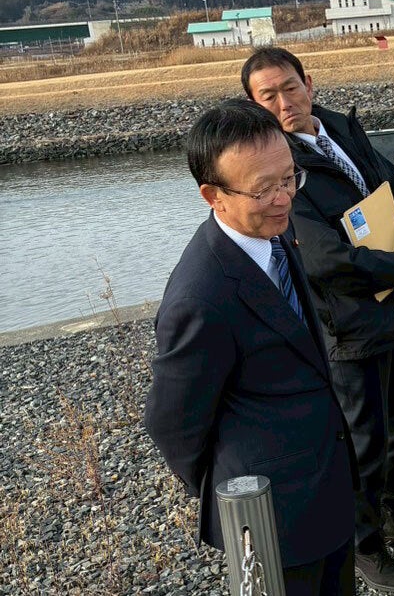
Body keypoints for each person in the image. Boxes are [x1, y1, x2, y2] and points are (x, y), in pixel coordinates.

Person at [241, 47, 394, 594]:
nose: (284, 102)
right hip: (345, 323)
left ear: (309, 83)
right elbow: (322, 258)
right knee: (362, 440)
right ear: (254, 106)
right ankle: (364, 545)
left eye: (290, 87)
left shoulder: (341, 130)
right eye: (268, 96)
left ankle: (393, 514)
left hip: (389, 305)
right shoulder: (278, 168)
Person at [144, 99, 356, 595]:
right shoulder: (201, 297)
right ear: (212, 196)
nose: (283, 198)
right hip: (270, 516)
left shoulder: (271, 232)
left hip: (327, 483)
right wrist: (232, 485)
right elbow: (172, 423)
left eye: (289, 179)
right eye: (263, 189)